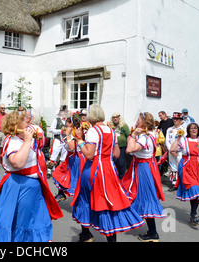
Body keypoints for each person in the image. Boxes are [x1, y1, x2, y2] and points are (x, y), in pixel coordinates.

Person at [71, 104, 144, 242]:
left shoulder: (93, 131)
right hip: (109, 169)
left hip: (94, 169)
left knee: (85, 200)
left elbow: (89, 155)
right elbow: (116, 154)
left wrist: (80, 140)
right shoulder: (111, 131)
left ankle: (86, 234)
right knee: (109, 203)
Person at [0, 110, 63, 242]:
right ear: (16, 124)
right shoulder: (14, 141)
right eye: (25, 120)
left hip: (30, 188)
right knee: (21, 224)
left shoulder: (19, 139)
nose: (28, 122)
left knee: (36, 222)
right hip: (20, 186)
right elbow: (17, 163)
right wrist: (28, 141)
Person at [123, 112, 166, 242]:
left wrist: (133, 135)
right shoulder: (151, 134)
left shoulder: (144, 137)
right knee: (140, 196)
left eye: (139, 120)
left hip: (143, 168)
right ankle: (149, 229)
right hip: (146, 166)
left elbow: (129, 150)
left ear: (145, 123)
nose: (137, 121)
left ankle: (153, 233)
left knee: (145, 198)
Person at [170, 122, 199, 226]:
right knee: (194, 188)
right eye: (191, 128)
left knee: (198, 192)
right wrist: (178, 137)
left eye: (195, 128)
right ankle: (194, 214)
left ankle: (193, 214)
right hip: (186, 166)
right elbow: (172, 149)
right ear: (188, 130)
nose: (193, 130)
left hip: (198, 167)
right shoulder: (184, 140)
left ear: (198, 129)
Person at [52, 115, 86, 204]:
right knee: (59, 173)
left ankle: (80, 202)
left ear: (71, 124)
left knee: (75, 179)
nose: (65, 125)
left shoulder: (75, 133)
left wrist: (67, 135)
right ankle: (61, 193)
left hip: (76, 159)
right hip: (70, 158)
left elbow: (71, 147)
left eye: (67, 123)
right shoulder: (72, 131)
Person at [165, 112, 186, 191]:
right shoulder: (170, 129)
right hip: (171, 151)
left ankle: (182, 184)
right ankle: (174, 184)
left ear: (181, 120)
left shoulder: (184, 130)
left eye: (177, 119)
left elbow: (184, 141)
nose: (175, 120)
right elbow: (167, 140)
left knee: (181, 167)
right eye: (174, 119)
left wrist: (176, 149)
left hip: (180, 152)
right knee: (173, 168)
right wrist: (171, 150)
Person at [107, 112, 130, 178]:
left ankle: (122, 178)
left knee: (121, 163)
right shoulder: (110, 125)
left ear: (119, 118)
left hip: (122, 147)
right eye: (114, 117)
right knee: (114, 163)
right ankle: (114, 177)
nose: (115, 119)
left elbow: (128, 136)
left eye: (116, 117)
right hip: (112, 147)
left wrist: (128, 147)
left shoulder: (124, 125)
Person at [47, 106, 69, 176]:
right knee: (54, 154)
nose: (64, 113)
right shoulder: (56, 120)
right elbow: (51, 130)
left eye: (65, 112)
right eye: (63, 112)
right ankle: (49, 170)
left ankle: (60, 170)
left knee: (64, 156)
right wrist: (60, 131)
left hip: (65, 140)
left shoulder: (68, 120)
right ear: (60, 113)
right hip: (58, 139)